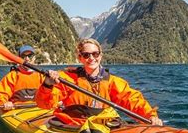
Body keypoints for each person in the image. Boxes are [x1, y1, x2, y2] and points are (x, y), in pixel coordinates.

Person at [35, 38, 163, 126]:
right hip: (73, 125)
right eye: (86, 55)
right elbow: (44, 105)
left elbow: (132, 100)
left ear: (100, 56)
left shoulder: (112, 81)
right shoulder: (67, 79)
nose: (91, 58)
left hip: (102, 125)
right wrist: (47, 84)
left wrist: (150, 116)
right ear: (80, 58)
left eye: (95, 54)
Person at [0, 45, 45, 110]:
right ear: (18, 59)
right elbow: (1, 95)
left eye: (30, 56)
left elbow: (53, 93)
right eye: (23, 56)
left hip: (38, 110)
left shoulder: (42, 76)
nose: (27, 59)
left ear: (34, 58)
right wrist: (3, 103)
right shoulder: (12, 76)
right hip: (16, 111)